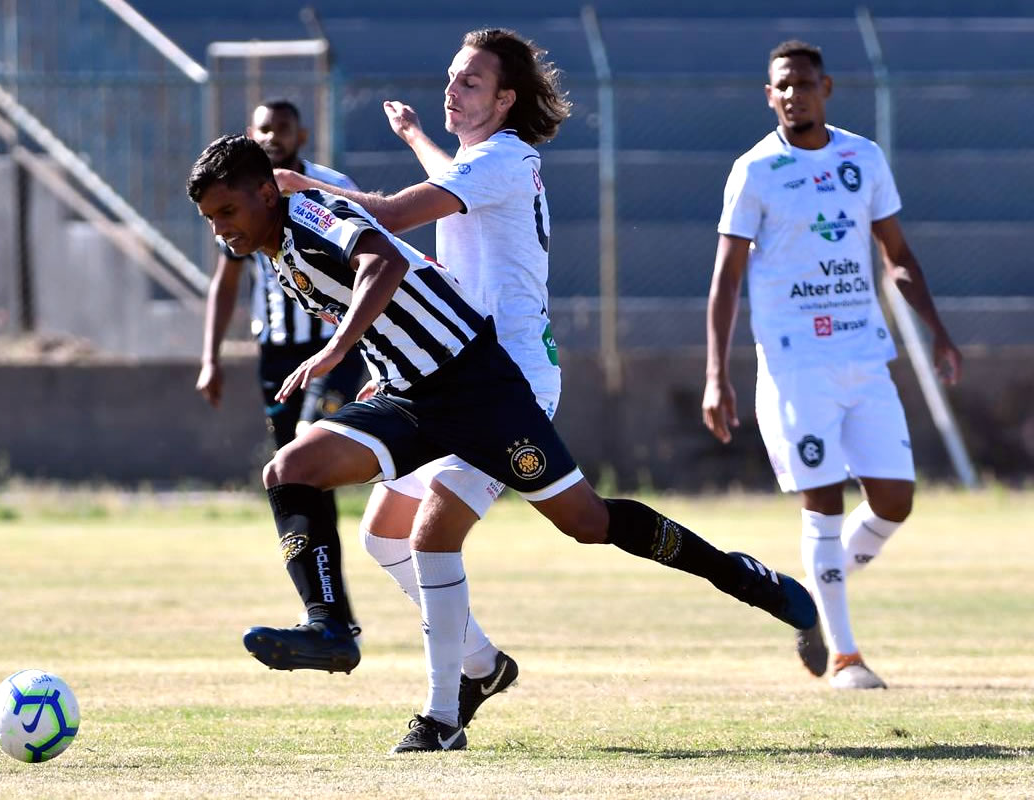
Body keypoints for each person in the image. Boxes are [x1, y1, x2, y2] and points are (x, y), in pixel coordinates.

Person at [186, 133, 816, 754]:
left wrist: (337, 349)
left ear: (268, 193)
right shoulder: (272, 244)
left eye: (229, 212)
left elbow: (386, 261)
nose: (222, 230)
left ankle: (739, 575)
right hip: (407, 395)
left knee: (588, 522)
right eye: (212, 218)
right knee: (292, 469)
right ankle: (337, 634)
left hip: (477, 388)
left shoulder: (310, 215)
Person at [273, 28, 566, 752]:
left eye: (470, 82)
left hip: (509, 379)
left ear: (505, 99)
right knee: (380, 537)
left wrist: (309, 192)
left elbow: (397, 215)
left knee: (434, 532)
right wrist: (413, 136)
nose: (452, 89)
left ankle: (441, 717)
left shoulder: (502, 158)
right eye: (451, 76)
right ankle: (481, 664)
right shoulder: (482, 161)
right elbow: (449, 176)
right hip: (449, 371)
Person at [703, 40, 962, 690]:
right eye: (781, 86)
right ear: (770, 95)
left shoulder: (862, 158)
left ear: (827, 87)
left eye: (803, 83)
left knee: (895, 502)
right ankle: (846, 657)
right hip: (796, 364)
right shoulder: (755, 170)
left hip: (864, 353)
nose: (793, 95)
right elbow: (727, 279)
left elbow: (895, 253)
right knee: (822, 501)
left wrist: (938, 331)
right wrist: (717, 374)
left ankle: (817, 594)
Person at [196, 101, 366, 632]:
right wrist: (211, 357)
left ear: (301, 134)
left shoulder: (324, 187)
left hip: (336, 347)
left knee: (306, 452)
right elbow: (226, 284)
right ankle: (328, 608)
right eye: (263, 128)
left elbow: (372, 251)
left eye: (282, 128)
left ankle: (328, 615)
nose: (273, 136)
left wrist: (348, 343)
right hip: (278, 359)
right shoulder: (237, 200)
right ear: (252, 133)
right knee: (299, 481)